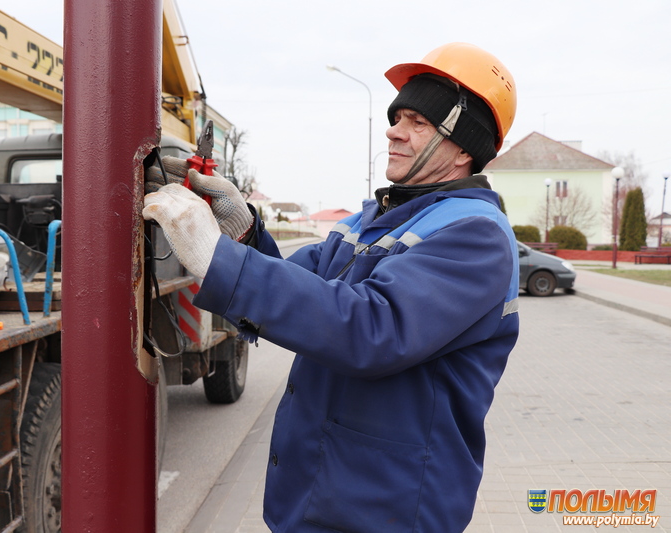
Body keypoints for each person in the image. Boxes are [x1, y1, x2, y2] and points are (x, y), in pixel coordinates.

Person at [144, 42, 520, 532]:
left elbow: (370, 328)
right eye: (397, 117)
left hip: (387, 508)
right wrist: (240, 229)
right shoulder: (369, 222)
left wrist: (216, 257)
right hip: (324, 495)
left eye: (417, 122)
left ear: (465, 148)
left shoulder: (476, 236)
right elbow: (305, 293)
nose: (394, 131)